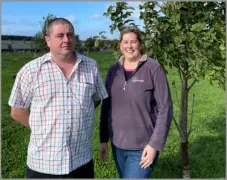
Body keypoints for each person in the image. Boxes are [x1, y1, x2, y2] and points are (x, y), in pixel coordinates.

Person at [8, 17, 108, 178]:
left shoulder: (91, 66)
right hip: (43, 163)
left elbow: (96, 99)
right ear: (48, 40)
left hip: (81, 159)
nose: (66, 40)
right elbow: (17, 111)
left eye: (70, 35)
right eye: (60, 35)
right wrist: (43, 127)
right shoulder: (31, 70)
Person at [99, 26, 173, 178]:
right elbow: (106, 106)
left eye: (133, 42)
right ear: (120, 45)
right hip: (118, 145)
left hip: (143, 146)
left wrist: (154, 145)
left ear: (140, 44)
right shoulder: (114, 70)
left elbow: (165, 108)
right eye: (125, 42)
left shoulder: (153, 68)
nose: (129, 46)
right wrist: (103, 139)